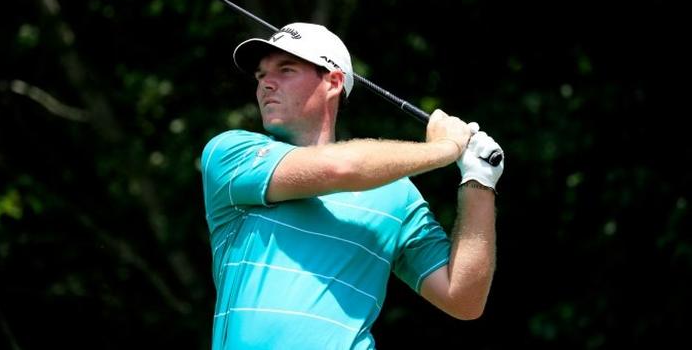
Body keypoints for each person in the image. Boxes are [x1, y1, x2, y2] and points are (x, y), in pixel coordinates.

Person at [200, 22, 504, 349]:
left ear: (333, 81)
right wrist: (444, 149)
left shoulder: (396, 194)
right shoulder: (231, 154)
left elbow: (463, 299)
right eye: (261, 75)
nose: (266, 85)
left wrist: (479, 182)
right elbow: (339, 167)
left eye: (285, 70)